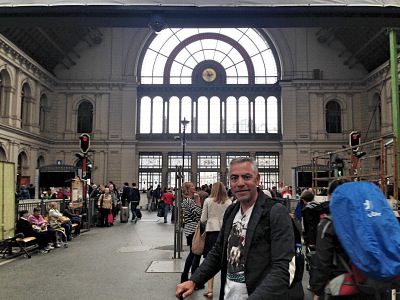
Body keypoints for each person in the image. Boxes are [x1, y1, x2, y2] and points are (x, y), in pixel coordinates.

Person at [176, 157, 294, 299]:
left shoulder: (275, 212)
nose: (240, 183)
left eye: (246, 177)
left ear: (257, 179)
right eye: (234, 178)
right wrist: (194, 280)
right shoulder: (231, 211)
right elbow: (219, 252)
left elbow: (281, 269)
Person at [310, 178, 358, 300]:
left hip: (342, 285)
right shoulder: (365, 219)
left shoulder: (329, 224)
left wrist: (317, 291)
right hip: (369, 282)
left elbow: (322, 262)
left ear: (331, 197)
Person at [200, 181, 231, 298]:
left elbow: (203, 219)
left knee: (210, 260)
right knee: (225, 261)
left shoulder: (208, 201)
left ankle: (210, 289)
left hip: (211, 232)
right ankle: (225, 289)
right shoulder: (229, 202)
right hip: (225, 233)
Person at [180, 181, 203, 287]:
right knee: (195, 254)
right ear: (188, 189)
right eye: (192, 186)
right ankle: (194, 280)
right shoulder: (189, 201)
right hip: (193, 229)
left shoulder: (187, 200)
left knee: (193, 253)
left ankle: (185, 277)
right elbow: (199, 214)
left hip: (190, 229)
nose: (195, 187)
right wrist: (198, 201)